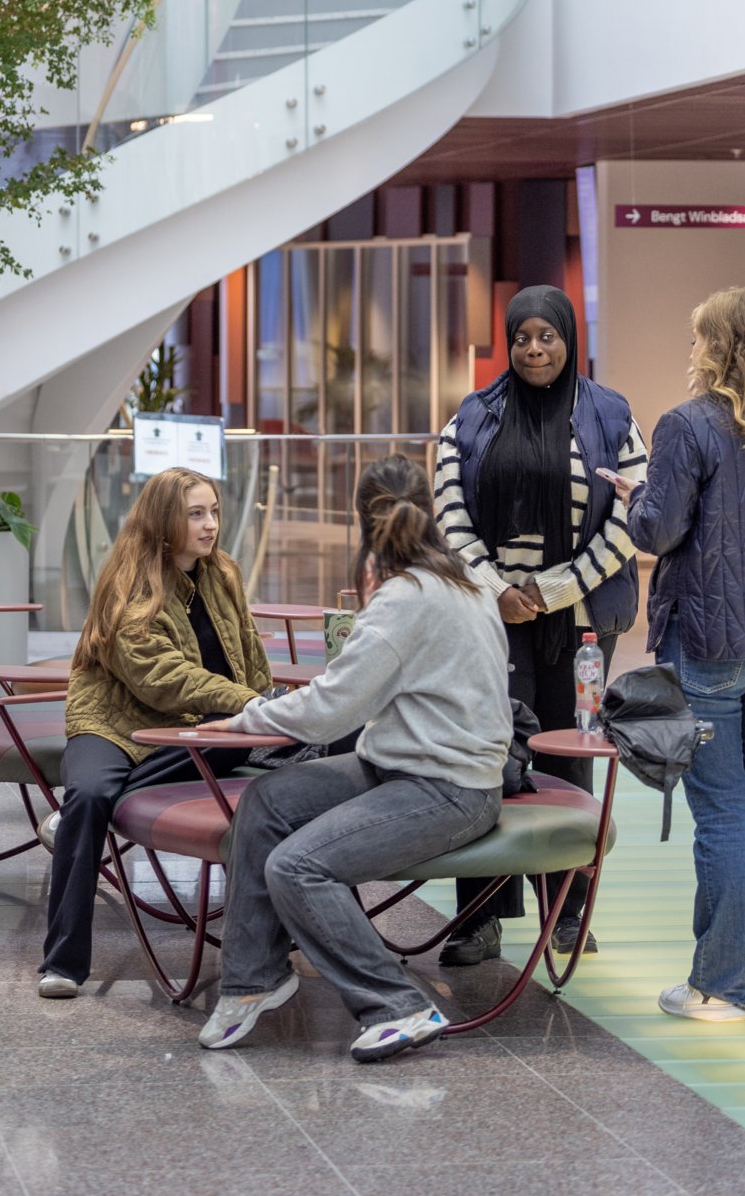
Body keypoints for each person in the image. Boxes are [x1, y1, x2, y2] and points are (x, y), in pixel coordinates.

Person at [197, 455, 512, 1064]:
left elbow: (329, 711)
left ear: (364, 523)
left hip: (450, 788)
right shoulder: (463, 578)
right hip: (406, 766)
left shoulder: (408, 597)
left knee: (297, 867)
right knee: (266, 801)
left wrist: (242, 719)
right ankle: (253, 980)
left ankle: (398, 1007)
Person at [605, 286, 745, 1024]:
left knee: (722, 815)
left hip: (712, 648)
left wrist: (634, 497)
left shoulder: (685, 425)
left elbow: (657, 532)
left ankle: (718, 986)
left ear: (722, 347)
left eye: (700, 339)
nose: (691, 351)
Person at [433, 284, 646, 964]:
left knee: (567, 759)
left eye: (546, 336)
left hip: (579, 623)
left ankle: (566, 912)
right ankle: (480, 917)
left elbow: (630, 516)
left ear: (568, 338)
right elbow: (447, 509)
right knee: (486, 757)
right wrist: (495, 587)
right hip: (491, 621)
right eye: (522, 337)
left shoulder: (611, 415)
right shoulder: (472, 416)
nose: (533, 349)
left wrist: (552, 590)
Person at [36, 467, 272, 998]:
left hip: (192, 726)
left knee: (264, 752)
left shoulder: (222, 572)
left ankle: (75, 819)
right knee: (91, 793)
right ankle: (63, 962)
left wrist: (264, 705)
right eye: (196, 514)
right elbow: (159, 676)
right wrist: (246, 702)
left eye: (213, 511)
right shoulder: (130, 582)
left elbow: (248, 654)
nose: (210, 525)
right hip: (116, 722)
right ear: (165, 518)